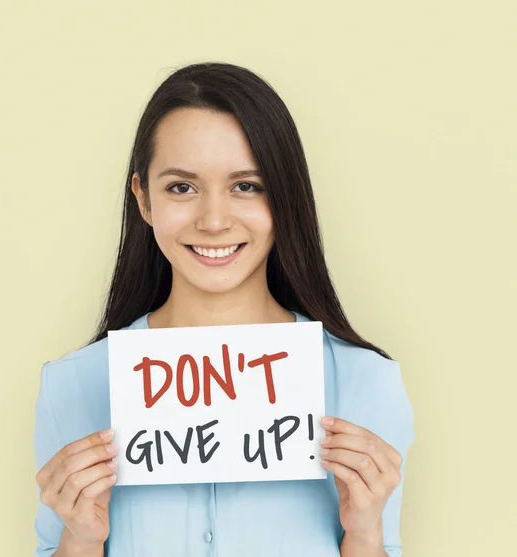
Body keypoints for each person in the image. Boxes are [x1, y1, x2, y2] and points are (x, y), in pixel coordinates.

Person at [33, 61, 415, 557]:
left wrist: (364, 534)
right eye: (181, 187)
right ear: (143, 199)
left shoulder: (368, 382)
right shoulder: (72, 386)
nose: (214, 220)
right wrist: (79, 540)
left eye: (246, 186)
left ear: (284, 198)